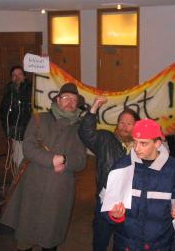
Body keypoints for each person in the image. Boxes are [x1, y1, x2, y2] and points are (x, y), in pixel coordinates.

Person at [1, 83, 87, 251]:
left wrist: (66, 161)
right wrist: (52, 159)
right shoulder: (39, 118)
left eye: (74, 99)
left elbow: (81, 160)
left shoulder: (79, 129)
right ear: (58, 100)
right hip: (33, 185)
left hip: (59, 190)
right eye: (66, 98)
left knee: (50, 237)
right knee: (25, 236)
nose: (70, 102)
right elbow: (29, 148)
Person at [103, 119, 175, 251]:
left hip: (160, 246)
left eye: (143, 143)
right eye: (135, 142)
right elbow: (103, 202)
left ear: (157, 143)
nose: (136, 148)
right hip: (125, 245)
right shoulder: (121, 166)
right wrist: (113, 215)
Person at [78, 96, 139, 251]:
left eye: (129, 123)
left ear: (136, 126)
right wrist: (93, 110)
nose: (124, 126)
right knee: (100, 240)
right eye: (122, 122)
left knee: (125, 242)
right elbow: (86, 133)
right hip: (106, 201)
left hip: (132, 203)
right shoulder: (105, 139)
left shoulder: (141, 147)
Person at [0, 65, 32, 167]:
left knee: (31, 158)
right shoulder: (8, 92)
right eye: (14, 75)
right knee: (18, 159)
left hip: (31, 132)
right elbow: (3, 113)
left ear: (24, 76)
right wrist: (7, 129)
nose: (17, 77)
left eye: (19, 74)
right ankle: (20, 181)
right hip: (16, 133)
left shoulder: (32, 89)